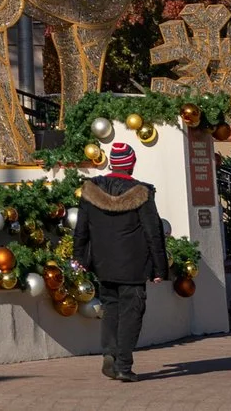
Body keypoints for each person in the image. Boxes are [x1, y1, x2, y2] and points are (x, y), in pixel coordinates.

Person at [74, 141, 170, 382]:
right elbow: (153, 233)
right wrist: (160, 268)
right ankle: (124, 366)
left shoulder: (91, 191)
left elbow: (81, 230)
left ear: (111, 162)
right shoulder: (141, 193)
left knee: (111, 309)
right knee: (131, 313)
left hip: (103, 264)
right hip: (134, 266)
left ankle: (110, 353)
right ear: (132, 164)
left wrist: (80, 260)